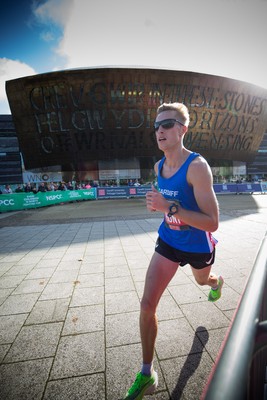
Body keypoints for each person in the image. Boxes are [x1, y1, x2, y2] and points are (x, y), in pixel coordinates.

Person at [123, 102, 224, 399]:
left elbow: (213, 222)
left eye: (167, 125)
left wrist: (169, 206)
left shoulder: (197, 166)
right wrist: (158, 204)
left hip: (197, 245)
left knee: (202, 281)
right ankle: (146, 374)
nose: (160, 131)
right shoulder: (158, 166)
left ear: (183, 129)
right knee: (146, 304)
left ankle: (216, 282)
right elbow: (167, 205)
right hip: (169, 241)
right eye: (156, 126)